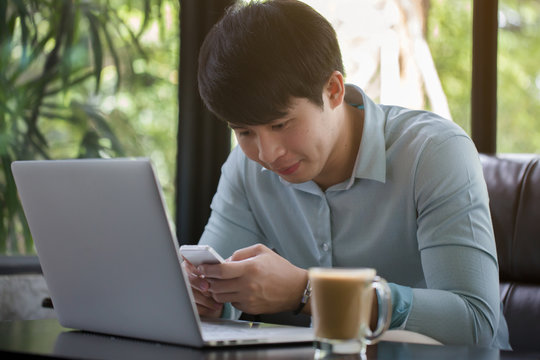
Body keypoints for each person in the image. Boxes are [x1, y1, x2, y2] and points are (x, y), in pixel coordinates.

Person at [185, 0, 510, 349]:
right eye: (244, 131)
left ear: (334, 90)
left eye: (281, 124)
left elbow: (476, 322)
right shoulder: (246, 169)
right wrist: (206, 297)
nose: (267, 154)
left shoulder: (433, 153)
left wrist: (308, 291)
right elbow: (210, 288)